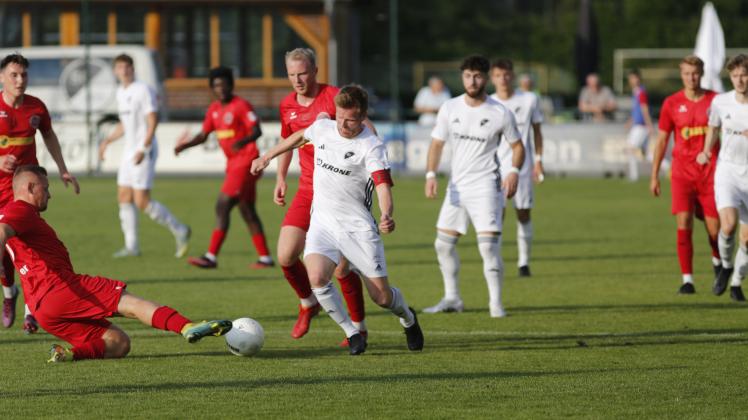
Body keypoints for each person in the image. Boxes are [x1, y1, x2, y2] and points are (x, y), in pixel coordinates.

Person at [251, 85, 424, 355]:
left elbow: (382, 186)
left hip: (358, 229)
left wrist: (387, 214)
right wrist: (266, 157)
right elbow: (298, 137)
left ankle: (408, 318)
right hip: (322, 224)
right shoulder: (324, 128)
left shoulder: (371, 146)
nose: (343, 124)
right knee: (317, 277)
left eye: (351, 119)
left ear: (363, 116)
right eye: (340, 116)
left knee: (382, 297)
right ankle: (352, 333)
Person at [0, 165, 232, 362]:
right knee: (132, 303)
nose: (49, 194)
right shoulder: (20, 210)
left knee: (119, 343)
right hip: (60, 289)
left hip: (44, 311)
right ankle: (186, 327)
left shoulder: (15, 214)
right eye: (46, 188)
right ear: (30, 187)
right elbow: (2, 232)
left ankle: (68, 354)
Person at [276, 48, 367, 344]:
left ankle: (359, 326)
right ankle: (308, 303)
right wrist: (280, 177)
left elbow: (363, 126)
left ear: (315, 70)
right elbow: (287, 140)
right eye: (291, 75)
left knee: (341, 267)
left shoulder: (334, 96)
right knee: (286, 255)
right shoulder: (287, 104)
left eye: (302, 73)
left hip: (338, 191)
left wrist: (375, 160)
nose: (297, 80)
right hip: (306, 188)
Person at [423, 55, 524, 318]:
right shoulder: (449, 107)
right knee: (442, 245)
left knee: (488, 247)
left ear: (486, 78)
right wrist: (431, 174)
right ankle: (452, 298)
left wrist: (513, 171)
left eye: (477, 75)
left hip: (486, 188)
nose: (472, 80)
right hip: (456, 188)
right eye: (468, 75)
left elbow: (517, 146)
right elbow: (436, 144)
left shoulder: (500, 112)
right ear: (462, 77)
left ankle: (496, 304)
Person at [0, 53, 80, 333]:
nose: (20, 80)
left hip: (24, 193)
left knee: (30, 248)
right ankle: (9, 294)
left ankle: (30, 311)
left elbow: (49, 136)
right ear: (2, 77)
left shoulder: (36, 108)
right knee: (5, 252)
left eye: (24, 75)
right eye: (14, 75)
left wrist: (63, 168)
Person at [174, 67, 273, 269]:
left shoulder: (241, 105)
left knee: (223, 204)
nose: (221, 89)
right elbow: (203, 135)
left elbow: (257, 130)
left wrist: (243, 141)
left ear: (231, 85)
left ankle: (211, 256)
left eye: (224, 84)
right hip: (234, 165)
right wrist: (185, 146)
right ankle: (265, 258)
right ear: (212, 88)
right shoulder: (214, 109)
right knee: (247, 210)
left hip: (246, 162)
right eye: (216, 85)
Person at [99, 54, 191, 259]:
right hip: (129, 151)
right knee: (123, 196)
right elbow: (124, 124)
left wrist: (144, 147)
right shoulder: (121, 92)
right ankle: (132, 246)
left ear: (133, 69)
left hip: (144, 150)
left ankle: (180, 229)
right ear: (115, 71)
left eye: (127, 67)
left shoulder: (143, 90)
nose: (124, 70)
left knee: (142, 201)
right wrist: (108, 140)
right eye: (120, 67)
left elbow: (153, 120)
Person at [650, 55, 721, 294]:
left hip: (711, 173)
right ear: (681, 75)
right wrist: (654, 175)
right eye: (687, 73)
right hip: (682, 174)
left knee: (715, 229)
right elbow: (661, 140)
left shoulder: (716, 101)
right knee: (684, 223)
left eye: (695, 73)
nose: (691, 78)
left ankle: (718, 262)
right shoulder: (671, 103)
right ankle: (687, 279)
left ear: (702, 73)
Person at [698, 54, 748, 301]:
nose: (740, 80)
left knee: (747, 238)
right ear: (730, 76)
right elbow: (713, 126)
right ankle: (726, 267)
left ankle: (737, 282)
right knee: (727, 224)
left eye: (744, 75)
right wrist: (707, 150)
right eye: (735, 75)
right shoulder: (721, 102)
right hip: (727, 171)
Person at [490, 58, 544, 277]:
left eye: (506, 74)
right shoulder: (489, 103)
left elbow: (538, 131)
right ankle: (497, 261)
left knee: (523, 213)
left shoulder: (530, 99)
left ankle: (523, 262)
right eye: (498, 75)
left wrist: (539, 160)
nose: (503, 79)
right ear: (492, 78)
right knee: (496, 214)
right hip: (495, 167)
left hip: (522, 167)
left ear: (512, 75)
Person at [624, 69, 654, 182]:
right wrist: (630, 121)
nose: (632, 80)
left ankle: (633, 176)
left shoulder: (641, 92)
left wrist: (649, 125)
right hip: (637, 125)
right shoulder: (636, 92)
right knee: (645, 153)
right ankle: (667, 167)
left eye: (634, 78)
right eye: (631, 78)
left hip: (641, 126)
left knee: (630, 149)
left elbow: (644, 109)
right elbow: (637, 110)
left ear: (638, 79)